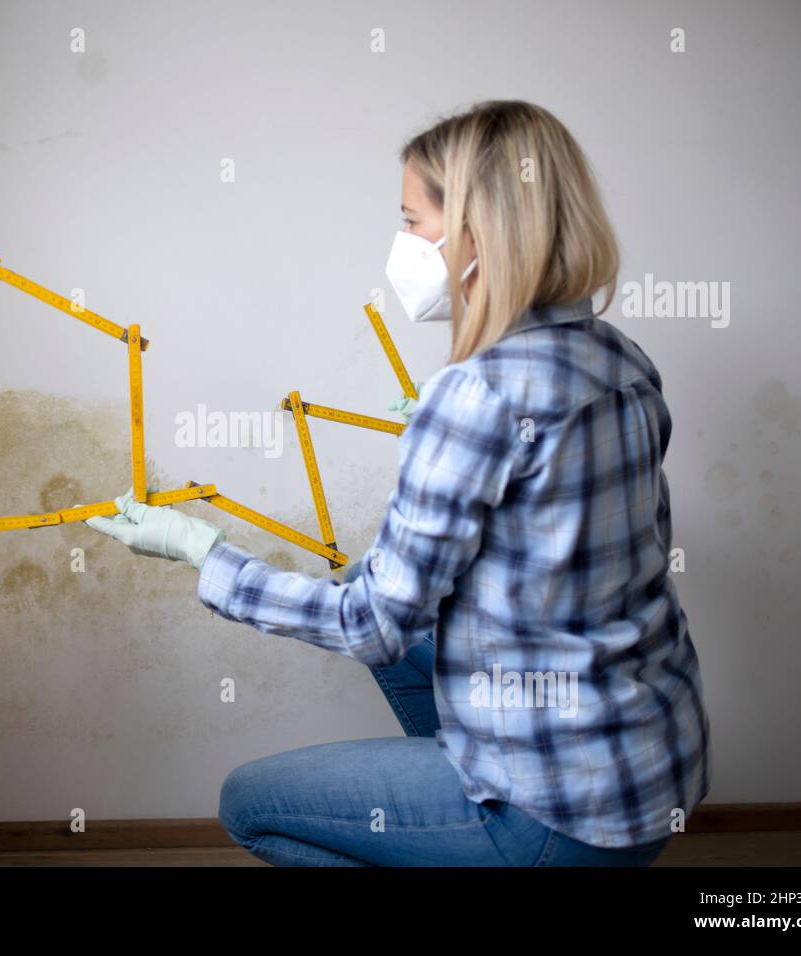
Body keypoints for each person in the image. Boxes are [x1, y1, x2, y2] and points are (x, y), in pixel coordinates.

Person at [85, 100, 711, 867]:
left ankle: (485, 828)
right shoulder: (621, 358)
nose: (403, 242)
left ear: (478, 232)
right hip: (652, 776)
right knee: (380, 597)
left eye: (412, 220)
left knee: (249, 805)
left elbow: (370, 624)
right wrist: (475, 450)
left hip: (554, 816)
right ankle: (461, 813)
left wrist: (204, 554)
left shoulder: (477, 394)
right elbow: (607, 561)